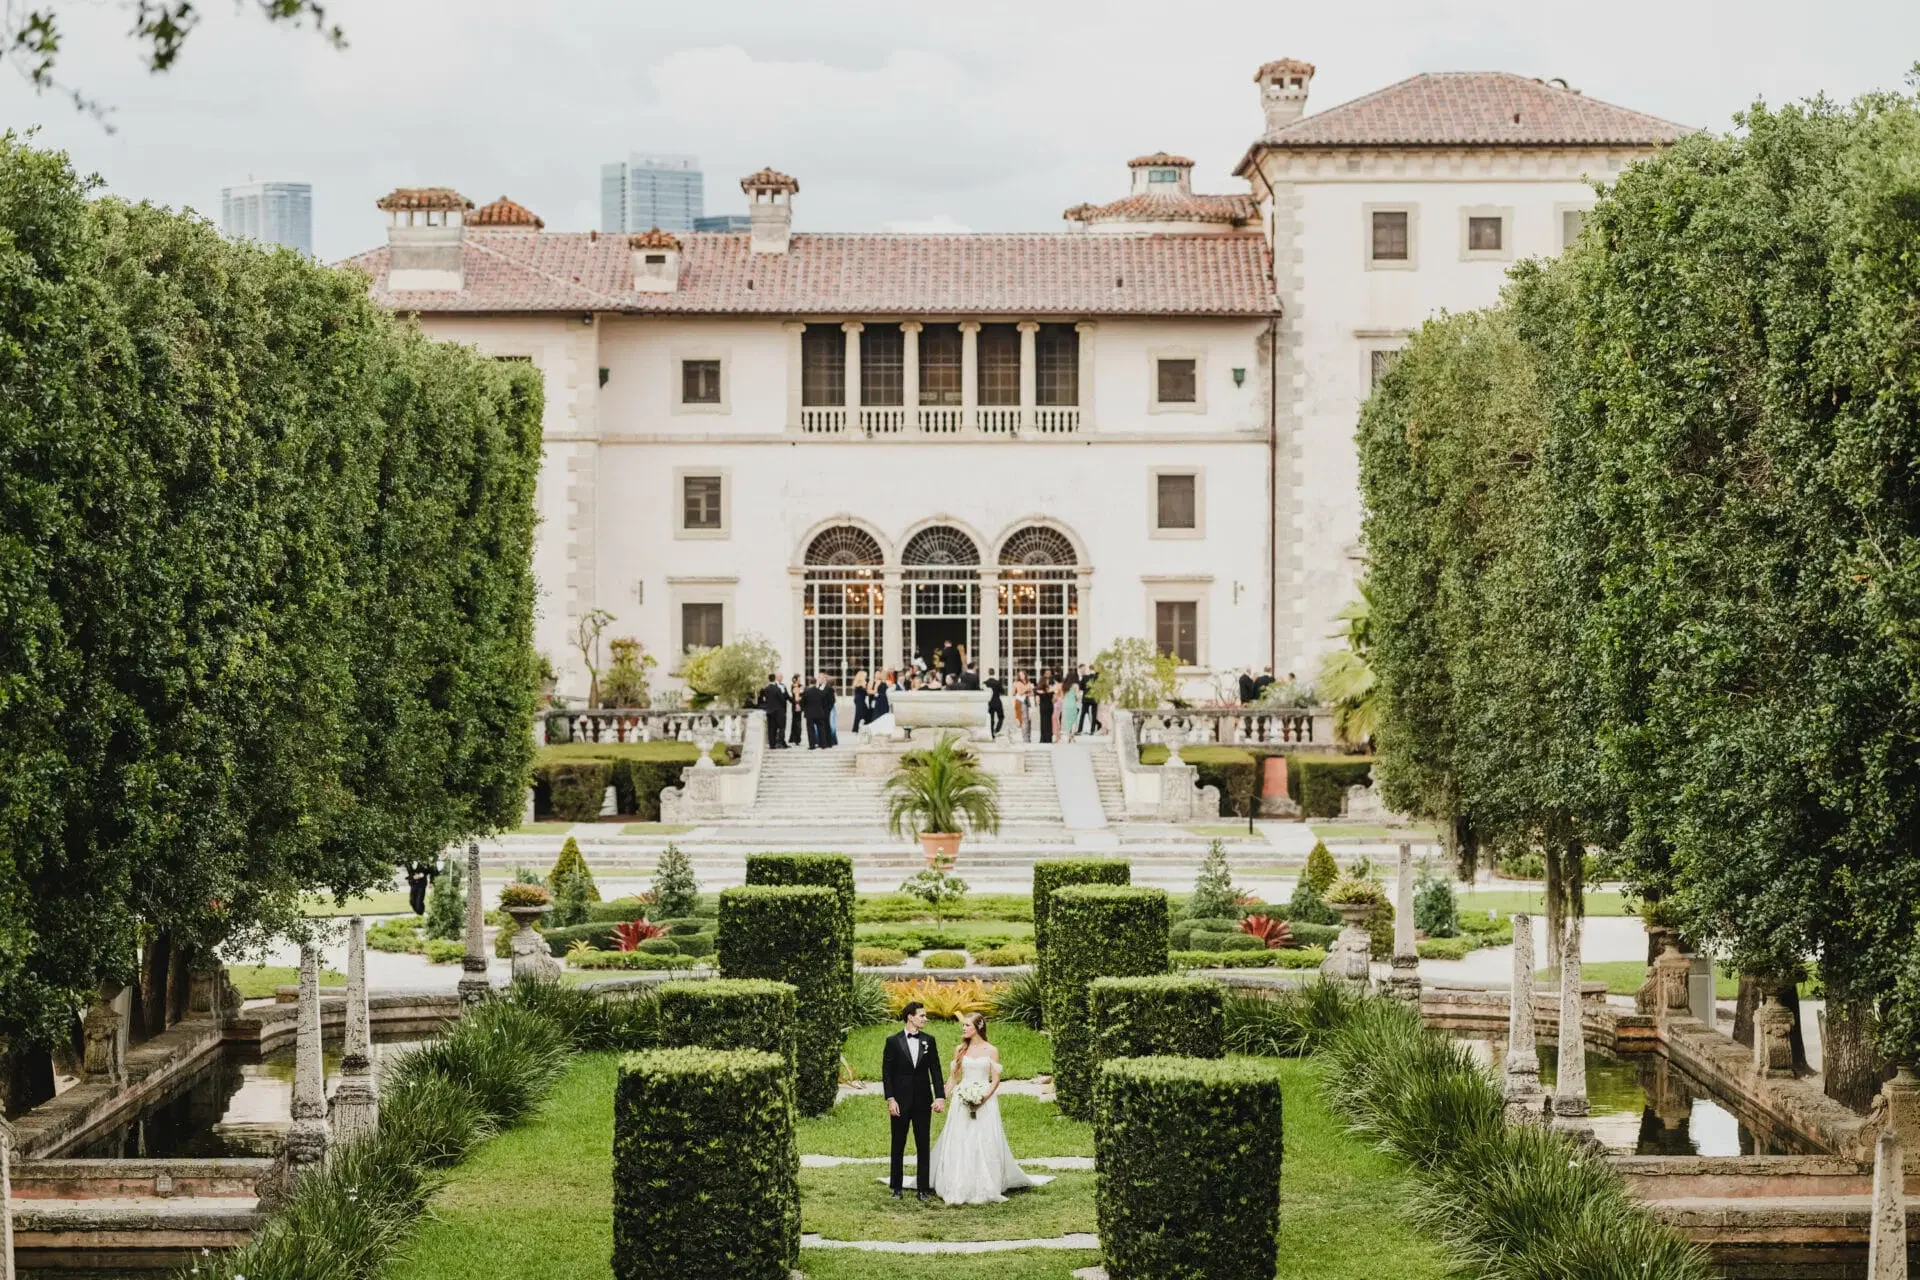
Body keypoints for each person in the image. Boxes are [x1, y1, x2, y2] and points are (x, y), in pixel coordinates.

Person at [926, 1012, 1050, 1205]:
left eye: (967, 1025)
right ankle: (958, 1182)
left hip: (985, 1099)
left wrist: (982, 1098)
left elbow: (995, 1080)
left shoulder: (991, 1050)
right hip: (962, 1100)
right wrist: (941, 1097)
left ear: (978, 1027)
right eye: (964, 1025)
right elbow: (953, 1078)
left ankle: (985, 1184)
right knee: (961, 1138)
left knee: (983, 1140)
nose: (964, 1028)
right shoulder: (960, 1049)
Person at [882, 1001, 946, 1200]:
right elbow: (887, 1073)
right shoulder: (893, 1041)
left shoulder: (929, 1040)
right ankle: (897, 1187)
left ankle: (922, 1188)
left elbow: (935, 1070)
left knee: (923, 1144)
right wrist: (891, 1099)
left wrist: (940, 1097)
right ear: (910, 1016)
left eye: (925, 1016)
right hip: (900, 1101)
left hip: (922, 1101)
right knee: (898, 1143)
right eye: (922, 1015)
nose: (925, 1019)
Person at [802, 674, 833, 749]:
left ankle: (812, 745)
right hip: (819, 712)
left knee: (811, 730)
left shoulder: (806, 691)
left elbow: (803, 702)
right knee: (821, 729)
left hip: (810, 713)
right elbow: (822, 701)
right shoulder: (819, 692)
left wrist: (804, 710)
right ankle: (823, 744)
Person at [760, 673, 789, 750]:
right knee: (781, 727)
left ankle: (772, 744)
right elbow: (782, 699)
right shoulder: (777, 689)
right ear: (774, 679)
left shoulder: (765, 689)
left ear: (768, 679)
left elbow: (762, 700)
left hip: (769, 711)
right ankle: (780, 742)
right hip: (779, 711)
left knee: (771, 728)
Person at [1079, 664, 1100, 736]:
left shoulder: (1085, 677)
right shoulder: (1097, 677)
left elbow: (1081, 687)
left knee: (1083, 714)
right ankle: (1092, 730)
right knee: (1094, 715)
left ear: (1089, 669)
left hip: (1086, 698)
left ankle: (1080, 729)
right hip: (1094, 698)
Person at [985, 668, 1006, 738]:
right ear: (994, 673)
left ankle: (991, 734)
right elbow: (1003, 691)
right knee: (1001, 717)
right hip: (997, 701)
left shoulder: (985, 682)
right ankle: (996, 730)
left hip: (989, 702)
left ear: (988, 673)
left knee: (991, 718)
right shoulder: (998, 682)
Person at [1062, 676, 1082, 744]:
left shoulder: (1064, 686)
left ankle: (1069, 736)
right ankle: (1072, 735)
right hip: (1073, 704)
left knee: (1067, 721)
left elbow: (1062, 696)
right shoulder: (1075, 685)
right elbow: (1078, 696)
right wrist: (1076, 697)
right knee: (1074, 720)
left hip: (1065, 705)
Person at [851, 670, 871, 736]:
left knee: (864, 713)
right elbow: (865, 693)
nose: (866, 676)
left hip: (860, 700)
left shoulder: (860, 683)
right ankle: (855, 729)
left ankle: (859, 729)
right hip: (859, 700)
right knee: (860, 714)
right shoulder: (861, 683)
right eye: (865, 675)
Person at [1036, 674, 1055, 744]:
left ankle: (1043, 738)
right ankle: (1049, 738)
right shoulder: (1050, 690)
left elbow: (1037, 701)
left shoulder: (1038, 691)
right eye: (1047, 681)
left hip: (1043, 708)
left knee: (1043, 722)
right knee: (1049, 723)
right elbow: (1053, 700)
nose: (1048, 682)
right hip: (1049, 707)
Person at [788, 675, 806, 746]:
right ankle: (797, 739)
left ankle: (793, 738)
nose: (800, 679)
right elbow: (796, 697)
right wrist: (797, 704)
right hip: (797, 705)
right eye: (799, 678)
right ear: (795, 679)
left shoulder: (800, 686)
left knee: (795, 722)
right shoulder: (795, 686)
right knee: (797, 723)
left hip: (797, 705)